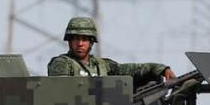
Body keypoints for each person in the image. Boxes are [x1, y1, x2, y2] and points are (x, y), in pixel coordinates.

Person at [47, 17, 176, 87]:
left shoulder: (101, 65)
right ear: (69, 41)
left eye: (85, 39)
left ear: (91, 42)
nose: (80, 44)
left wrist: (162, 69)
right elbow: (61, 92)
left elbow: (133, 70)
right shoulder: (62, 64)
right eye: (76, 39)